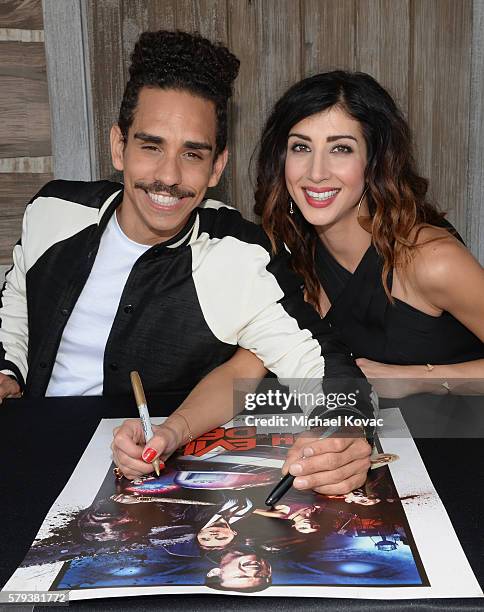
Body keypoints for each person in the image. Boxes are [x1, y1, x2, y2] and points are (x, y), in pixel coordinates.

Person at [0, 33, 373, 494]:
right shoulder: (52, 210)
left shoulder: (238, 255)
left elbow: (321, 361)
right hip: (26, 454)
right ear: (119, 146)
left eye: (193, 154)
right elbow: (16, 302)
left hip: (141, 485)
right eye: (151, 146)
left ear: (217, 167)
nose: (170, 176)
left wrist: (346, 433)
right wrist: (7, 369)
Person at [252, 70, 484, 401]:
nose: (316, 172)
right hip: (368, 447)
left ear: (374, 162)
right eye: (301, 147)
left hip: (461, 444)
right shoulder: (290, 255)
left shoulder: (432, 260)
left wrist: (418, 378)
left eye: (341, 149)